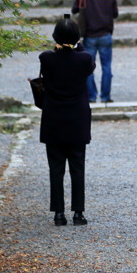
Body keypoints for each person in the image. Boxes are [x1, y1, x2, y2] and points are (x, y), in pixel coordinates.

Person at [38, 17, 94, 226]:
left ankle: (58, 213)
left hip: (54, 120)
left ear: (55, 38)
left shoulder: (46, 58)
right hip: (77, 120)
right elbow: (86, 60)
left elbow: (52, 55)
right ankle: (78, 213)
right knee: (77, 168)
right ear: (76, 39)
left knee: (56, 169)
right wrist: (77, 45)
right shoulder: (84, 59)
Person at [71, 0, 118, 103]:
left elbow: (74, 10)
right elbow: (115, 14)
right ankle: (105, 96)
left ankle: (91, 96)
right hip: (105, 34)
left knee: (88, 68)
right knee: (106, 67)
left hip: (89, 36)